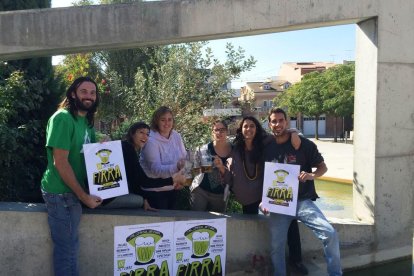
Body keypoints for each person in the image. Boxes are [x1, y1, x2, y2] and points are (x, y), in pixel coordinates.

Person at [261, 107, 342, 276]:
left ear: (287, 122)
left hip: (302, 201)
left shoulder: (303, 144)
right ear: (269, 124)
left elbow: (322, 167)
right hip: (279, 204)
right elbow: (265, 177)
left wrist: (311, 175)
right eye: (274, 121)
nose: (278, 124)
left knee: (330, 233)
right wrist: (264, 200)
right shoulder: (266, 146)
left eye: (281, 120)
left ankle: (335, 273)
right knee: (277, 247)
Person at [222, 116, 308, 274]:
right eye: (245, 126)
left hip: (270, 192)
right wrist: (227, 163)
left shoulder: (266, 141)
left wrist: (294, 132)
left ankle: (296, 260)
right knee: (251, 226)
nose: (249, 129)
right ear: (241, 129)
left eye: (252, 126)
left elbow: (282, 134)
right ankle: (255, 259)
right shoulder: (236, 148)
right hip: (248, 195)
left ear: (257, 128)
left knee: (290, 223)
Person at [41, 76, 102, 276]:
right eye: (84, 91)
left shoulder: (87, 122)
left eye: (93, 93)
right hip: (60, 194)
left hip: (74, 192)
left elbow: (92, 157)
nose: (89, 96)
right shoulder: (62, 118)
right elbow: (61, 162)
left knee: (71, 250)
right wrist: (84, 196)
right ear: (73, 94)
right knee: (67, 253)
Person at [101, 122, 182, 211]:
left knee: (143, 199)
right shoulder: (127, 149)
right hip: (107, 199)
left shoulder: (127, 147)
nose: (145, 137)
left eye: (147, 134)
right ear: (132, 134)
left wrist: (144, 199)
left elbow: (135, 181)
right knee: (139, 201)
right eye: (141, 133)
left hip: (107, 194)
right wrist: (172, 180)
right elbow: (144, 181)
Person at [140, 106, 187, 209]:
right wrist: (177, 166)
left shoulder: (176, 136)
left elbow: (184, 158)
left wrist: (181, 180)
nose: (167, 123)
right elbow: (156, 170)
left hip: (173, 188)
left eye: (169, 119)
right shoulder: (150, 140)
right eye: (163, 120)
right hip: (154, 192)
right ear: (156, 121)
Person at [190, 120, 232, 212]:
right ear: (212, 132)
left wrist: (221, 167)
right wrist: (205, 168)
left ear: (227, 131)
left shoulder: (234, 151)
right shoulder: (203, 149)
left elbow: (235, 175)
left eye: (222, 130)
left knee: (217, 224)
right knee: (197, 220)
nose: (219, 133)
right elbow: (193, 172)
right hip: (201, 191)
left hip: (220, 195)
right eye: (216, 130)